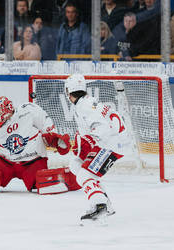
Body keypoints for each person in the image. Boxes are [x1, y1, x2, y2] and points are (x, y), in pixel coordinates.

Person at [0, 96, 80, 194]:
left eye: (1, 112)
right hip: (6, 163)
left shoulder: (28, 110)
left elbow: (45, 122)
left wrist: (53, 136)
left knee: (42, 182)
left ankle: (72, 177)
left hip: (33, 161)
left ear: (9, 108)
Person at [64, 74, 132, 223]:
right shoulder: (84, 103)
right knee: (76, 164)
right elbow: (90, 131)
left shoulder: (84, 105)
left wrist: (88, 140)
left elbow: (103, 127)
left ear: (69, 91)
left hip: (112, 144)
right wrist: (81, 144)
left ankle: (100, 205)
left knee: (83, 175)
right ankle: (105, 203)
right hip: (111, 141)